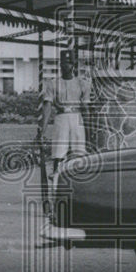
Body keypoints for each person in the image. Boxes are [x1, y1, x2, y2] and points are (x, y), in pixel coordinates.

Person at [38, 50, 91, 181]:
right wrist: (42, 131)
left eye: (69, 63)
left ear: (73, 65)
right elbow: (47, 106)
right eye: (63, 63)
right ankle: (56, 177)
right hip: (61, 117)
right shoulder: (53, 83)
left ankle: (78, 178)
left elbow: (85, 107)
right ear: (60, 65)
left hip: (76, 117)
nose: (66, 66)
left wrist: (90, 128)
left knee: (79, 151)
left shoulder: (82, 83)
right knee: (59, 151)